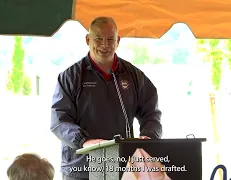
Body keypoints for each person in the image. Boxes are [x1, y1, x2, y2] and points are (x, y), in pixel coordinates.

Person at [50, 16, 162, 180]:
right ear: (88, 39)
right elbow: (58, 120)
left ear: (118, 40)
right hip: (82, 167)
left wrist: (149, 136)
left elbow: (151, 112)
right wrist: (84, 141)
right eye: (98, 39)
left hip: (121, 164)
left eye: (110, 39)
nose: (105, 45)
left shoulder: (133, 75)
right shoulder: (70, 77)